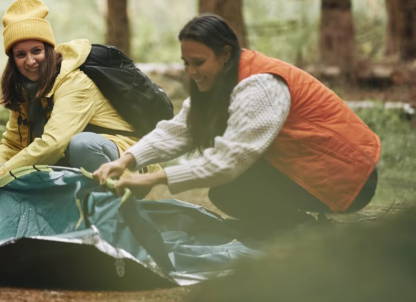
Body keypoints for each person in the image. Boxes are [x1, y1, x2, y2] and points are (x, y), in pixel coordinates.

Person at [93, 14, 380, 234]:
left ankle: (306, 236)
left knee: (231, 190)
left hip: (349, 176)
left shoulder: (260, 86)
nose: (191, 72)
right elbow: (180, 129)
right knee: (232, 190)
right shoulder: (218, 81)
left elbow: (227, 162)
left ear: (225, 55)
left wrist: (151, 178)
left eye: (199, 62)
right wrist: (127, 160)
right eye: (186, 62)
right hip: (304, 164)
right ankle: (301, 231)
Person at [0, 0, 140, 195]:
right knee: (32, 164)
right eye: (21, 54)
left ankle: (112, 206)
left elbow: (54, 144)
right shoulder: (25, 90)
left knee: (82, 144)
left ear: (48, 49)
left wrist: (4, 172)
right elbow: (13, 144)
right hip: (75, 166)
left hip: (130, 166)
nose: (30, 61)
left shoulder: (74, 82)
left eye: (36, 51)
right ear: (13, 59)